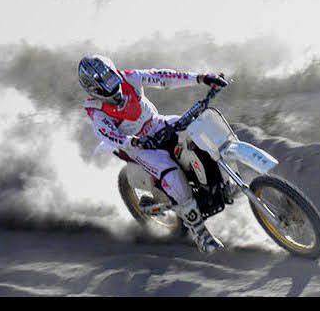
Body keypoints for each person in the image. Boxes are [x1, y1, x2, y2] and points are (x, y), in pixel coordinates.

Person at [78, 54, 228, 253]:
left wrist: (201, 78)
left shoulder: (129, 78)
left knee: (199, 130)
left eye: (112, 77)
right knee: (171, 174)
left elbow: (162, 78)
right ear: (93, 89)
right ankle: (201, 234)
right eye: (105, 83)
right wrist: (132, 141)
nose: (113, 85)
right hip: (138, 145)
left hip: (159, 124)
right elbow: (106, 134)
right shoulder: (95, 109)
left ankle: (218, 182)